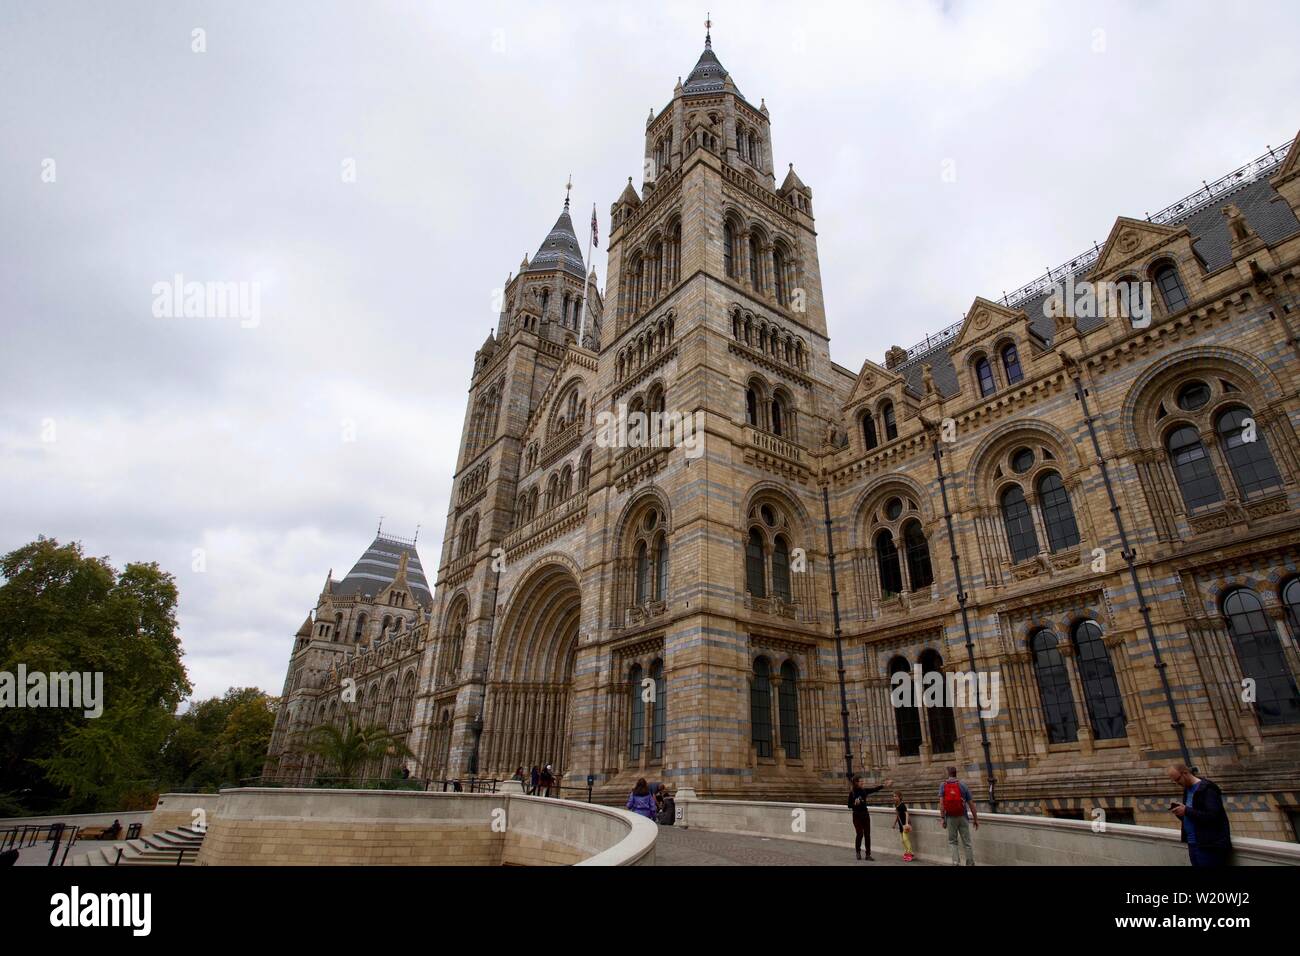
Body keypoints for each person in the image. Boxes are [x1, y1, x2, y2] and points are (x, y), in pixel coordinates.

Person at [1167, 764, 1232, 866]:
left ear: (1185, 773)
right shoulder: (1187, 790)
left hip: (1209, 846)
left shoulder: (1207, 789)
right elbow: (1192, 816)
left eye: (1178, 779)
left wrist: (1186, 811)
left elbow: (1213, 816)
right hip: (1193, 844)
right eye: (1174, 781)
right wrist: (1180, 813)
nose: (1177, 783)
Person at [939, 766, 977, 865]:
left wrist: (943, 818)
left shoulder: (943, 785)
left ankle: (956, 863)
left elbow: (942, 804)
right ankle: (970, 863)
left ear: (948, 774)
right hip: (963, 816)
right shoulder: (963, 785)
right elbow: (971, 804)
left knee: (953, 841)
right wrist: (975, 819)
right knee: (967, 842)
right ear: (956, 773)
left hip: (950, 817)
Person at [848, 774, 892, 860]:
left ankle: (868, 854)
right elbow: (849, 805)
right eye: (861, 781)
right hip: (857, 815)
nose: (863, 783)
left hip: (865, 814)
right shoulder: (852, 793)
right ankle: (858, 852)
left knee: (867, 835)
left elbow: (874, 789)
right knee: (859, 834)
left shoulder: (864, 791)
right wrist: (855, 804)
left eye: (862, 781)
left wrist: (884, 785)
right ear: (856, 783)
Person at [892, 791, 913, 862]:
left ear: (900, 797)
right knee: (903, 841)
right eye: (893, 796)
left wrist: (906, 823)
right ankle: (908, 852)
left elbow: (907, 813)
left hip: (904, 825)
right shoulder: (897, 805)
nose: (894, 797)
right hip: (901, 826)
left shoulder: (902, 805)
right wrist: (894, 824)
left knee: (905, 839)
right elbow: (897, 816)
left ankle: (910, 853)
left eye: (896, 796)